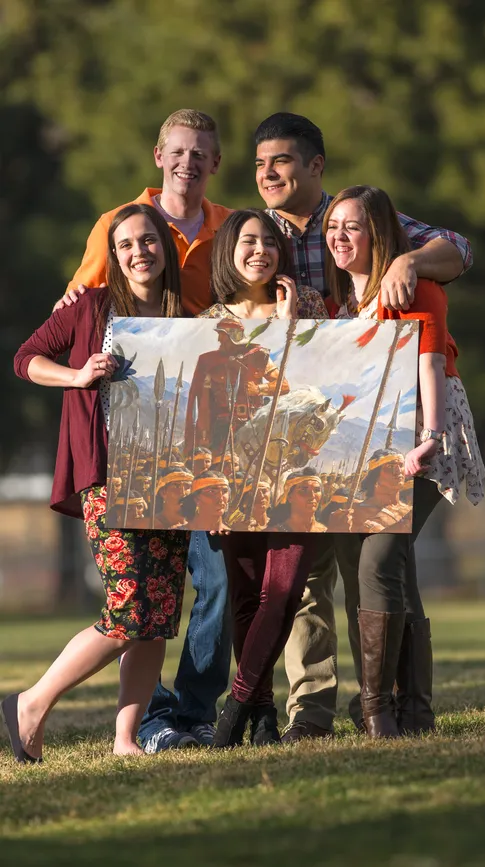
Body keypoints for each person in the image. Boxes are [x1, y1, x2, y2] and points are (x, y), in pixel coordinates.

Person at [254, 111, 474, 741]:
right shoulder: (253, 232)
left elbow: (458, 251)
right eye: (262, 163)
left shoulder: (371, 226)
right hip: (329, 434)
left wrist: (411, 261)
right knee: (330, 572)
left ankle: (390, 707)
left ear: (315, 166)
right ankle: (339, 710)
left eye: (284, 161)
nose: (270, 174)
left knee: (378, 561)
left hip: (401, 434)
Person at [56, 110, 233, 751]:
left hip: (202, 439)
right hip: (131, 448)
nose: (188, 162)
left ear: (215, 162)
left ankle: (190, 710)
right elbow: (76, 311)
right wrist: (76, 375)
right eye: (178, 151)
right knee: (144, 604)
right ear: (160, 155)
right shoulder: (120, 226)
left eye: (201, 153)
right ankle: (142, 718)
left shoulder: (230, 228)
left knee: (210, 582)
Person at [4, 203, 194, 762]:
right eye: (127, 244)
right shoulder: (90, 306)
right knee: (129, 607)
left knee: (157, 618)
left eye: (149, 241)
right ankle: (30, 704)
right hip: (109, 474)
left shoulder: (186, 316)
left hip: (172, 477)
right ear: (113, 255)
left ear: (167, 248)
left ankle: (125, 740)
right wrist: (78, 375)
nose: (140, 252)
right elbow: (26, 358)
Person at [324, 184, 485, 737]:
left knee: (378, 563)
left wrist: (433, 434)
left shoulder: (411, 285)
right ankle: (412, 710)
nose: (339, 237)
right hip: (372, 449)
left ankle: (378, 713)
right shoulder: (343, 304)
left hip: (423, 436)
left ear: (378, 233)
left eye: (352, 226)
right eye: (332, 227)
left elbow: (431, 363)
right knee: (398, 570)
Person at [198, 207, 327, 748]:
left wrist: (293, 322)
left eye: (269, 242)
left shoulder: (309, 306)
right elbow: (201, 415)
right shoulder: (207, 323)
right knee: (248, 595)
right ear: (228, 249)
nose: (260, 250)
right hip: (233, 478)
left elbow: (326, 384)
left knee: (285, 588)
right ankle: (266, 714)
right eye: (248, 241)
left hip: (297, 474)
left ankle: (234, 710)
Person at [184, 315, 289, 460]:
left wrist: (258, 389)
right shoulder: (208, 360)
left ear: (232, 336)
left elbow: (283, 386)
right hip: (222, 424)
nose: (219, 340)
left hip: (253, 421)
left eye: (222, 335)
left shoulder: (258, 356)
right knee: (218, 461)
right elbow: (200, 397)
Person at [328, 449, 412, 533]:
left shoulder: (410, 511)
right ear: (376, 475)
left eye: (401, 465)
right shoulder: (356, 513)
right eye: (390, 466)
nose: (398, 471)